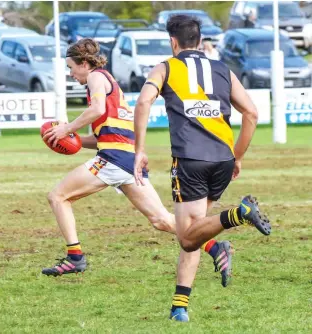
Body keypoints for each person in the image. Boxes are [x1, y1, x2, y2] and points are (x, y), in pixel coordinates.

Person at [40, 38, 233, 287]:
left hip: (114, 160)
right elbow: (105, 135)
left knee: (58, 197)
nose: (70, 73)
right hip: (127, 159)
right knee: (162, 220)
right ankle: (216, 248)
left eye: (71, 67)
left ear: (85, 63)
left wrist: (66, 129)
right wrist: (75, 140)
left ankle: (75, 256)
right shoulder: (108, 81)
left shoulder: (96, 78)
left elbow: (97, 109)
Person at [133, 15, 271, 322]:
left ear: (173, 42)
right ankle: (179, 307)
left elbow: (143, 103)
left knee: (186, 236)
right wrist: (237, 156)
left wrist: (139, 150)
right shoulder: (222, 68)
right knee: (195, 230)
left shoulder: (167, 67)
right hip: (222, 159)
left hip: (191, 160)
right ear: (199, 40)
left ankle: (238, 214)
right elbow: (251, 113)